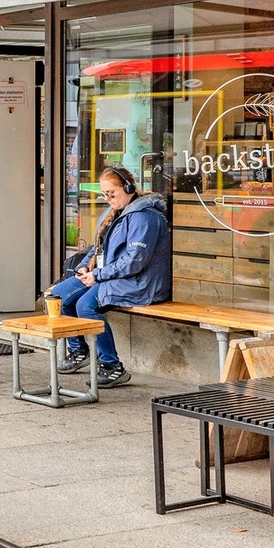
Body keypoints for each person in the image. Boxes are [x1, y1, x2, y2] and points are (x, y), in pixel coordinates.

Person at [49, 165, 170, 388]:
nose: (108, 199)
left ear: (128, 187)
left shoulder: (145, 217)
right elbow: (98, 249)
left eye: (111, 193)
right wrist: (84, 269)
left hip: (139, 281)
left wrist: (98, 275)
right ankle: (79, 351)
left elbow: (136, 261)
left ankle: (112, 366)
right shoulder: (113, 213)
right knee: (58, 296)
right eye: (104, 194)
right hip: (109, 275)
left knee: (85, 305)